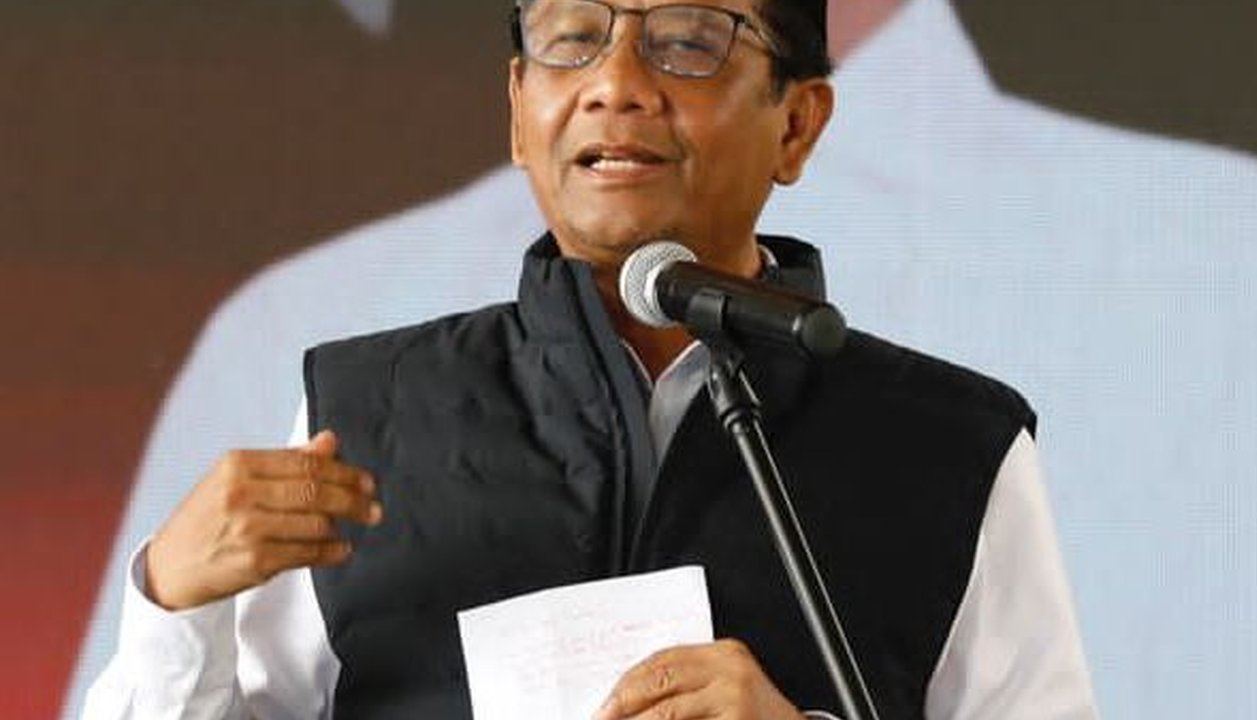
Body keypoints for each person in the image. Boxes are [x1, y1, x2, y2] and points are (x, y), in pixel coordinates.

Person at [82, 1, 1108, 717]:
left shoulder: (953, 447)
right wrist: (173, 602)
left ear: (796, 124)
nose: (615, 86)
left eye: (689, 43)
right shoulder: (360, 412)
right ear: (518, 110)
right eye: (572, 39)